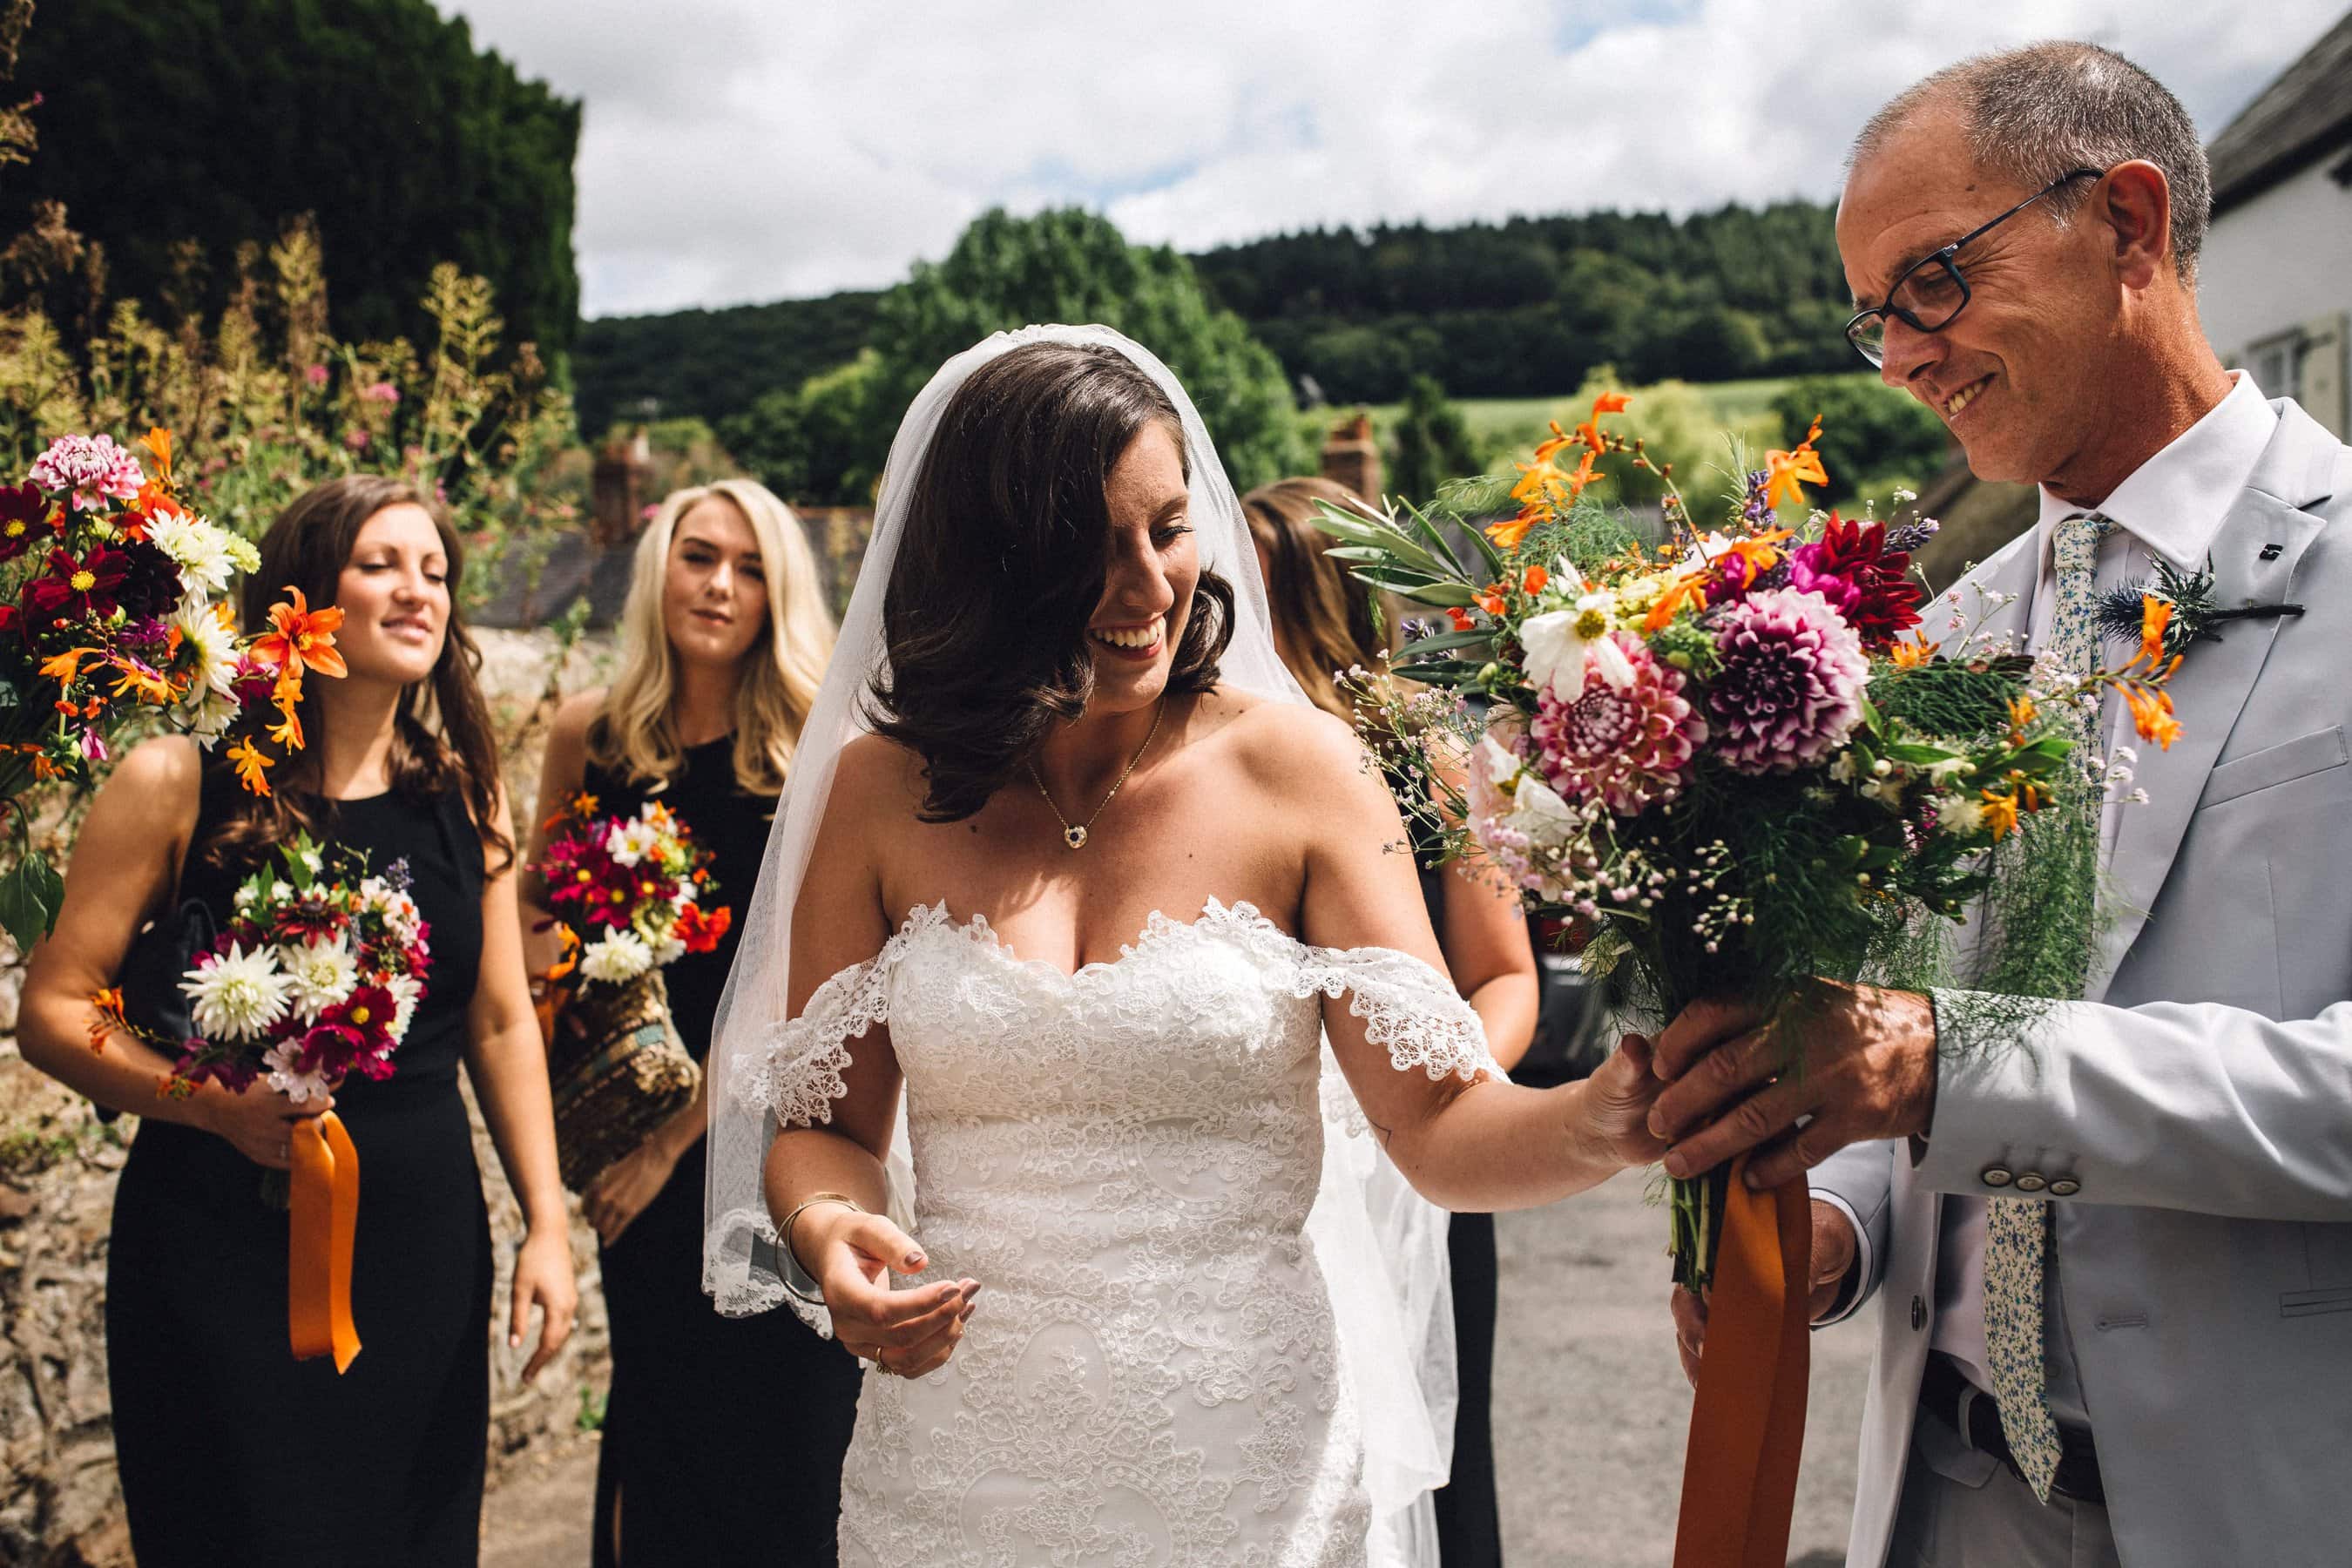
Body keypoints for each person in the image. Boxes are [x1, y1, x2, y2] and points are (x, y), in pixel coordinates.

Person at [700, 325, 1669, 1567]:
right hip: (958, 1475)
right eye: (1090, 550)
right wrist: (833, 1235)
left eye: (1165, 529)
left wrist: (1604, 1115)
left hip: (1241, 1476)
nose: (1149, 588)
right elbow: (825, 1132)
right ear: (989, 565)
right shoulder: (878, 791)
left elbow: (1436, 1127)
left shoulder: (1300, 769)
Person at [1650, 43, 2352, 1568]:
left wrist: (1939, 1067)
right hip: (1950, 1497)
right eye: (1872, 317)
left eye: (1935, 282)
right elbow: (1899, 1033)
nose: (1900, 354)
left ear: (2129, 224)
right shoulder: (1948, 641)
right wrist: (1824, 1230)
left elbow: (1941, 1058)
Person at [17, 475, 576, 1566]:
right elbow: (53, 1009)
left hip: (422, 1258)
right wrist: (210, 1106)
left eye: (436, 572)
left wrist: (546, 1227)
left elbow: (503, 1023)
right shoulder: (176, 778)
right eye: (381, 564)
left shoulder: (468, 794)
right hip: (218, 1252)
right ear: (304, 594)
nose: (419, 591)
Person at [522, 478, 859, 1565]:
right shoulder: (589, 737)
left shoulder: (814, 745)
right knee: (663, 1415)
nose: (721, 586)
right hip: (641, 1139)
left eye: (752, 567)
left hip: (776, 1139)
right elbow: (539, 925)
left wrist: (676, 1148)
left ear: (780, 593)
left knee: (788, 1432)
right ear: (656, 567)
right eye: (699, 556)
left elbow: (804, 980)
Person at [1244, 473, 1541, 1567]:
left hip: (1412, 1168)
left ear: (1323, 603)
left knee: (1441, 1462)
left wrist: (1424, 1092)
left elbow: (1506, 976)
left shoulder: (1432, 753)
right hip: (1263, 1176)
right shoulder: (1203, 761)